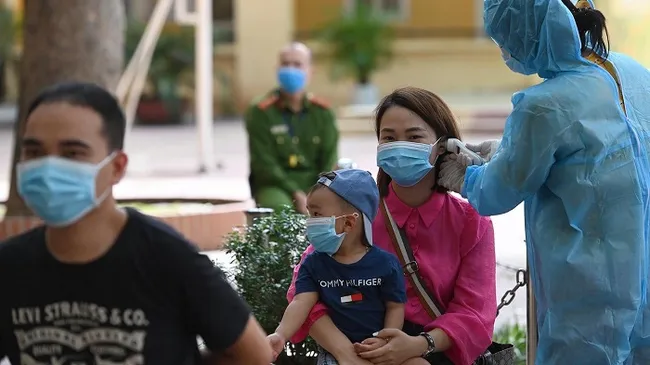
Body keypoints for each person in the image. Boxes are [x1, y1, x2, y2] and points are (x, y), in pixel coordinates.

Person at [0, 82, 273, 365]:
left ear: (117, 167)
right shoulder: (9, 267)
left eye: (72, 153)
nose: (48, 168)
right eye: (34, 152)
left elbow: (254, 356)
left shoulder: (167, 258)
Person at [438, 0, 650, 364]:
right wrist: (505, 150)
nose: (505, 49)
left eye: (505, 38)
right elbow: (591, 154)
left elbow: (496, 192)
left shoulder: (543, 105)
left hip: (590, 289)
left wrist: (464, 174)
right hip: (641, 271)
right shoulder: (629, 72)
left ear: (529, 33)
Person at [286, 87, 497, 365]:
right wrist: (345, 354)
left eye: (414, 137)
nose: (399, 146)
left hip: (433, 350)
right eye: (389, 137)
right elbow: (302, 291)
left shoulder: (472, 222)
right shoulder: (356, 215)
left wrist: (419, 345)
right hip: (356, 348)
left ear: (443, 145)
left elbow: (474, 312)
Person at [268, 169, 424, 365]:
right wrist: (280, 335)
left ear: (349, 223)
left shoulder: (386, 264)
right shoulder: (313, 263)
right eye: (309, 213)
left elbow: (395, 307)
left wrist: (385, 341)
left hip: (378, 349)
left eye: (316, 214)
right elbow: (301, 302)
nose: (310, 222)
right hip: (335, 356)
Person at [246, 42, 340, 214]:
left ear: (310, 71)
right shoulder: (261, 112)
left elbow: (329, 158)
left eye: (297, 64)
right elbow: (264, 163)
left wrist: (316, 192)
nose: (290, 69)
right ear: (277, 69)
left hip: (315, 183)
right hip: (276, 185)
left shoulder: (323, 113)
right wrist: (295, 193)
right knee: (281, 210)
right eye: (285, 64)